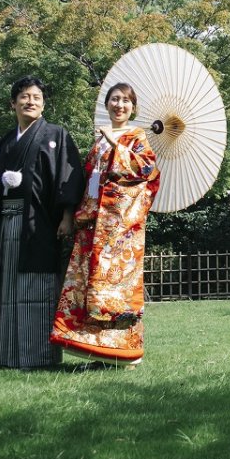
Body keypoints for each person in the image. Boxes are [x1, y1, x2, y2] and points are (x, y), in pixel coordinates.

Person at [50, 82, 160, 365]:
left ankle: (122, 350)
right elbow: (89, 180)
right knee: (87, 286)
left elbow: (146, 170)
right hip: (93, 224)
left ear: (133, 108)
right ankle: (93, 348)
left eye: (125, 101)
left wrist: (115, 144)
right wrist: (76, 215)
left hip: (120, 230)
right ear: (107, 104)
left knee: (114, 290)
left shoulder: (136, 137)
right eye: (114, 99)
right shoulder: (99, 139)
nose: (119, 105)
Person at [0, 76, 82, 369]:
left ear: (43, 103)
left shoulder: (56, 135)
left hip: (39, 225)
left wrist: (67, 216)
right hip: (5, 223)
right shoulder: (6, 141)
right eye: (24, 97)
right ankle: (5, 354)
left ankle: (39, 356)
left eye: (36, 97)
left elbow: (68, 178)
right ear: (13, 104)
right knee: (7, 287)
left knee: (36, 287)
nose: (30, 101)